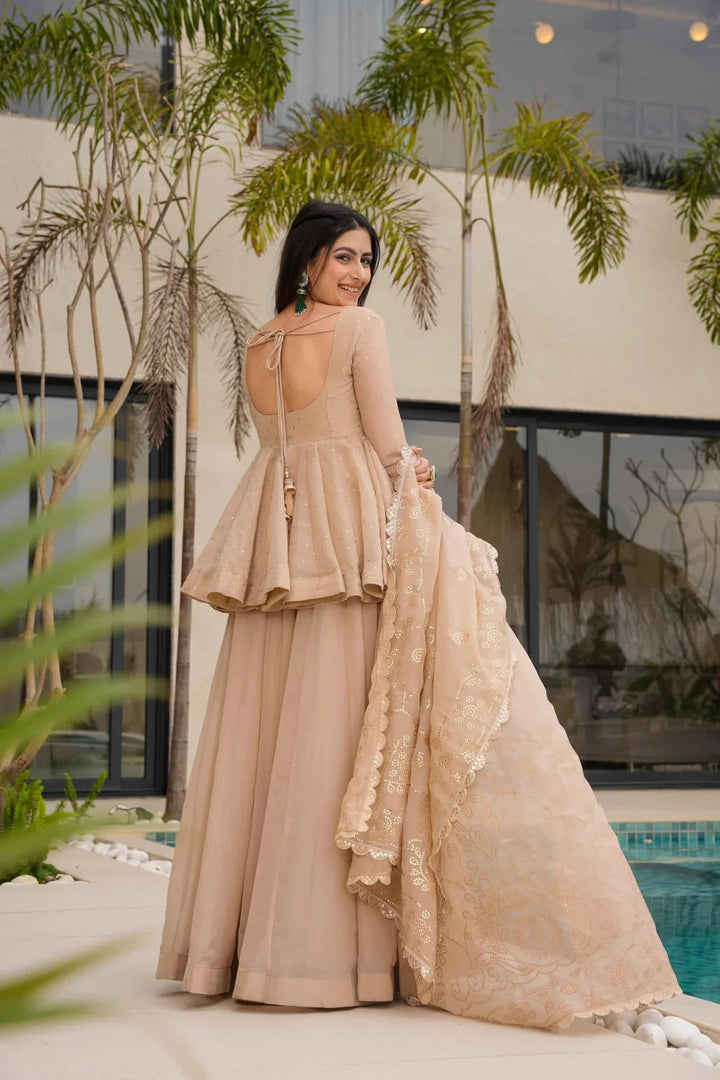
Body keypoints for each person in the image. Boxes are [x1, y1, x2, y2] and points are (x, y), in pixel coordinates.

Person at [157, 201, 679, 1029]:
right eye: (344, 257)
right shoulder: (359, 330)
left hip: (273, 534)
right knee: (334, 740)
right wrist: (416, 476)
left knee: (262, 739)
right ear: (308, 259)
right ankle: (321, 960)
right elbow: (384, 441)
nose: (358, 274)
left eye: (366, 261)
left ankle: (230, 948)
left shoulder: (260, 339)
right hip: (350, 533)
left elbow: (287, 437)